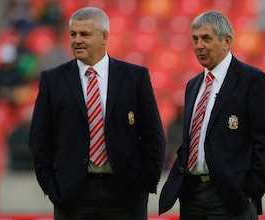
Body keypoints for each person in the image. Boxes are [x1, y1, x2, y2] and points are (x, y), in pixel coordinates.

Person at [29, 7, 166, 220]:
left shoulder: (135, 78)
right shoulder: (52, 80)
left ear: (104, 37)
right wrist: (51, 187)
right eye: (73, 34)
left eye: (84, 34)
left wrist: (145, 185)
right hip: (72, 195)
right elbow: (39, 139)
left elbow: (153, 136)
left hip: (126, 195)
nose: (77, 40)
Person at [159, 10, 265, 220]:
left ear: (227, 41)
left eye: (206, 38)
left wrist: (251, 190)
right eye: (195, 39)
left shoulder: (251, 80)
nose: (199, 46)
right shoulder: (193, 85)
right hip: (192, 196)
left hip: (231, 196)